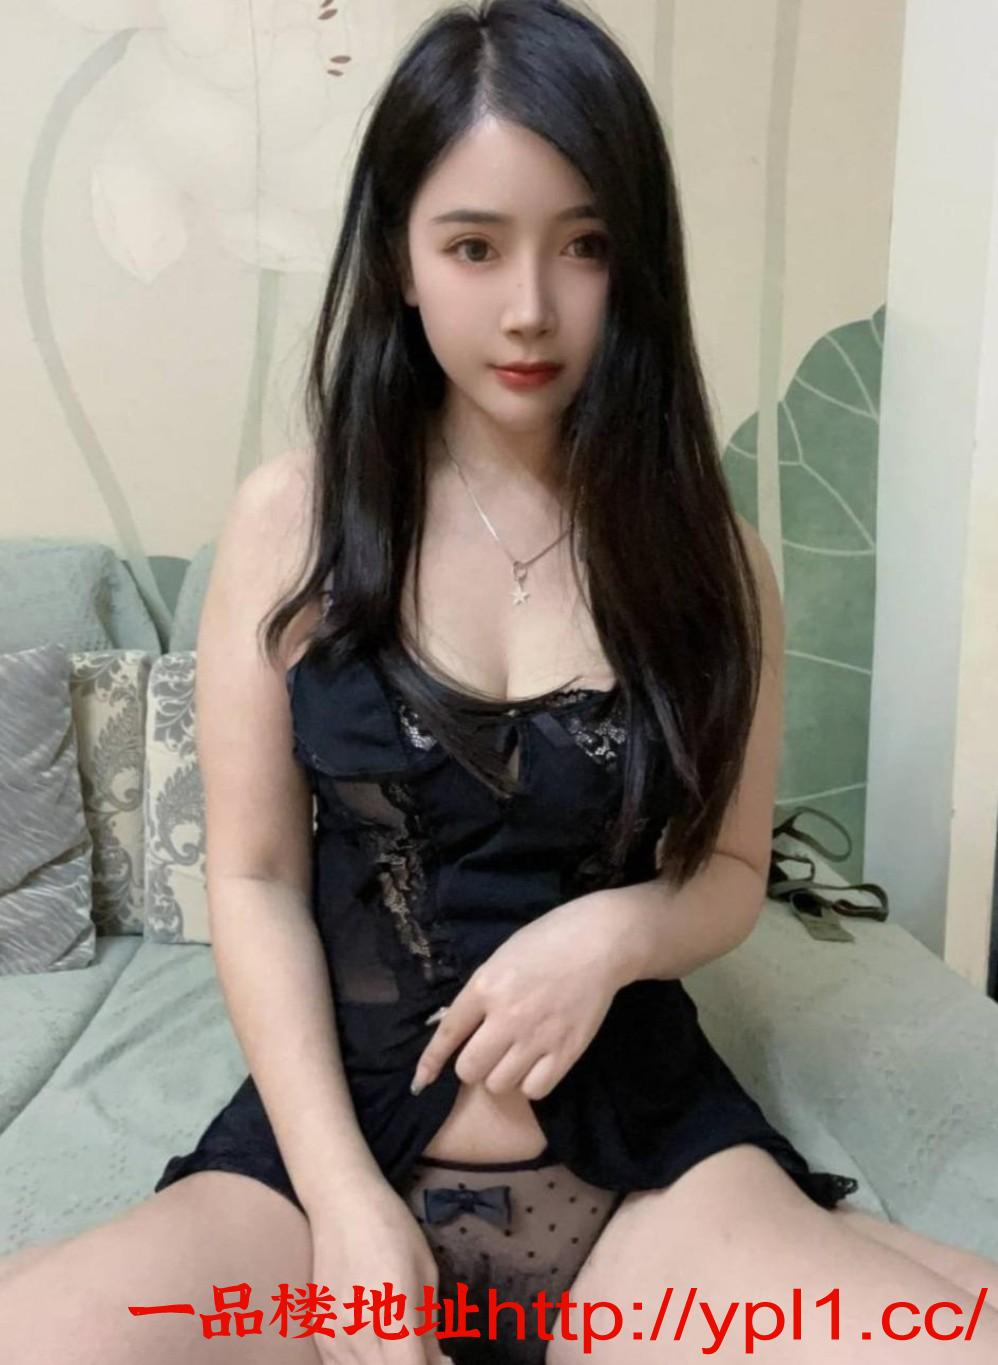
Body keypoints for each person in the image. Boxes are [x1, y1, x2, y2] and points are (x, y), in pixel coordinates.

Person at [2, 1, 996, 1361]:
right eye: (473, 246)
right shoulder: (293, 521)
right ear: (400, 259)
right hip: (330, 1158)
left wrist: (612, 936)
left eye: (584, 245)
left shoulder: (713, 555)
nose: (530, 308)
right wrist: (345, 1205)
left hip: (642, 1165)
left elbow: (727, 871)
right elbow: (254, 877)